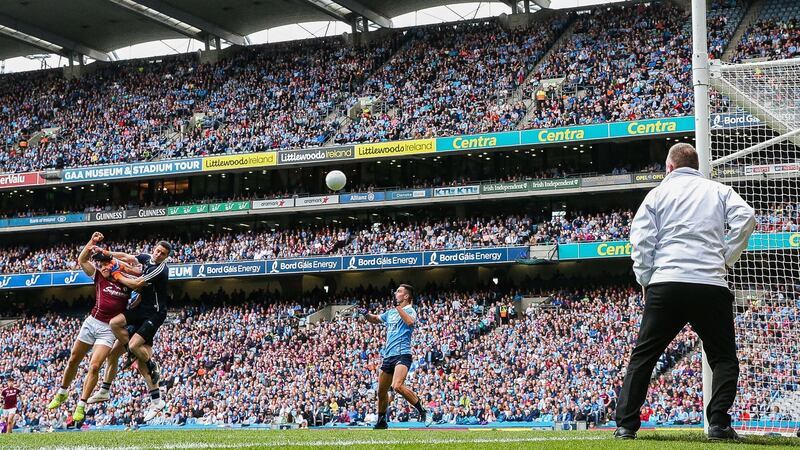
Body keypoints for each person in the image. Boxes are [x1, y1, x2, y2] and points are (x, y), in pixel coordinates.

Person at [614, 143, 755, 441]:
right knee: (724, 358)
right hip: (710, 284)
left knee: (644, 356)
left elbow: (640, 242)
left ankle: (626, 425)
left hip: (668, 282)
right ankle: (718, 423)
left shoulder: (657, 194)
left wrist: (646, 279)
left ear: (669, 167)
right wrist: (725, 257)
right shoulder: (718, 191)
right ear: (697, 164)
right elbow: (747, 217)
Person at [46, 232, 132, 423]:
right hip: (91, 322)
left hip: (108, 329)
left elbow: (138, 279)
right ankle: (62, 392)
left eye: (106, 264)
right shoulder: (98, 276)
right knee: (74, 359)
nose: (103, 267)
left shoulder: (126, 283)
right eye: (101, 265)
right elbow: (82, 259)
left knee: (94, 366)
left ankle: (81, 405)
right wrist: (92, 242)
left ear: (114, 265)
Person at [106, 241, 172, 422]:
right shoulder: (147, 258)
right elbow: (128, 257)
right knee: (115, 324)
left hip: (154, 313)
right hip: (140, 310)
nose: (158, 255)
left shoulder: (160, 269)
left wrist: (117, 274)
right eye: (158, 251)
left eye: (162, 254)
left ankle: (154, 383)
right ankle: (155, 399)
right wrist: (107, 253)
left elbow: (137, 284)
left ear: (166, 257)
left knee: (138, 350)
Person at [361, 284, 430, 429]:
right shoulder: (390, 312)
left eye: (399, 291)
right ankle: (381, 421)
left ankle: (423, 411)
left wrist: (398, 307)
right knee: (381, 391)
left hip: (402, 354)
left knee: (397, 386)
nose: (396, 293)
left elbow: (410, 322)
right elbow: (375, 319)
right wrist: (366, 314)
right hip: (388, 356)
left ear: (406, 296)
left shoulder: (410, 310)